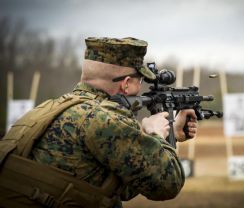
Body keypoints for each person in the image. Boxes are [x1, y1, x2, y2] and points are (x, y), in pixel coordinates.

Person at [0, 37, 197, 208]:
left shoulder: (51, 108)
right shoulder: (104, 120)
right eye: (140, 81)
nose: (141, 87)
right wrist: (156, 135)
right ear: (126, 83)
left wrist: (170, 135)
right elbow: (168, 184)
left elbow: (124, 184)